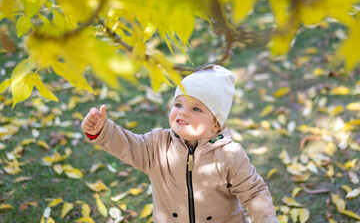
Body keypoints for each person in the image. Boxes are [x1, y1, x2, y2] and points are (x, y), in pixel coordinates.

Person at [81, 65, 279, 223]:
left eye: (196, 109)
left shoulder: (230, 155)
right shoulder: (157, 145)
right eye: (178, 104)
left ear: (216, 124)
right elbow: (127, 145)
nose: (183, 112)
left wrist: (267, 219)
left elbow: (253, 193)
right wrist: (102, 130)